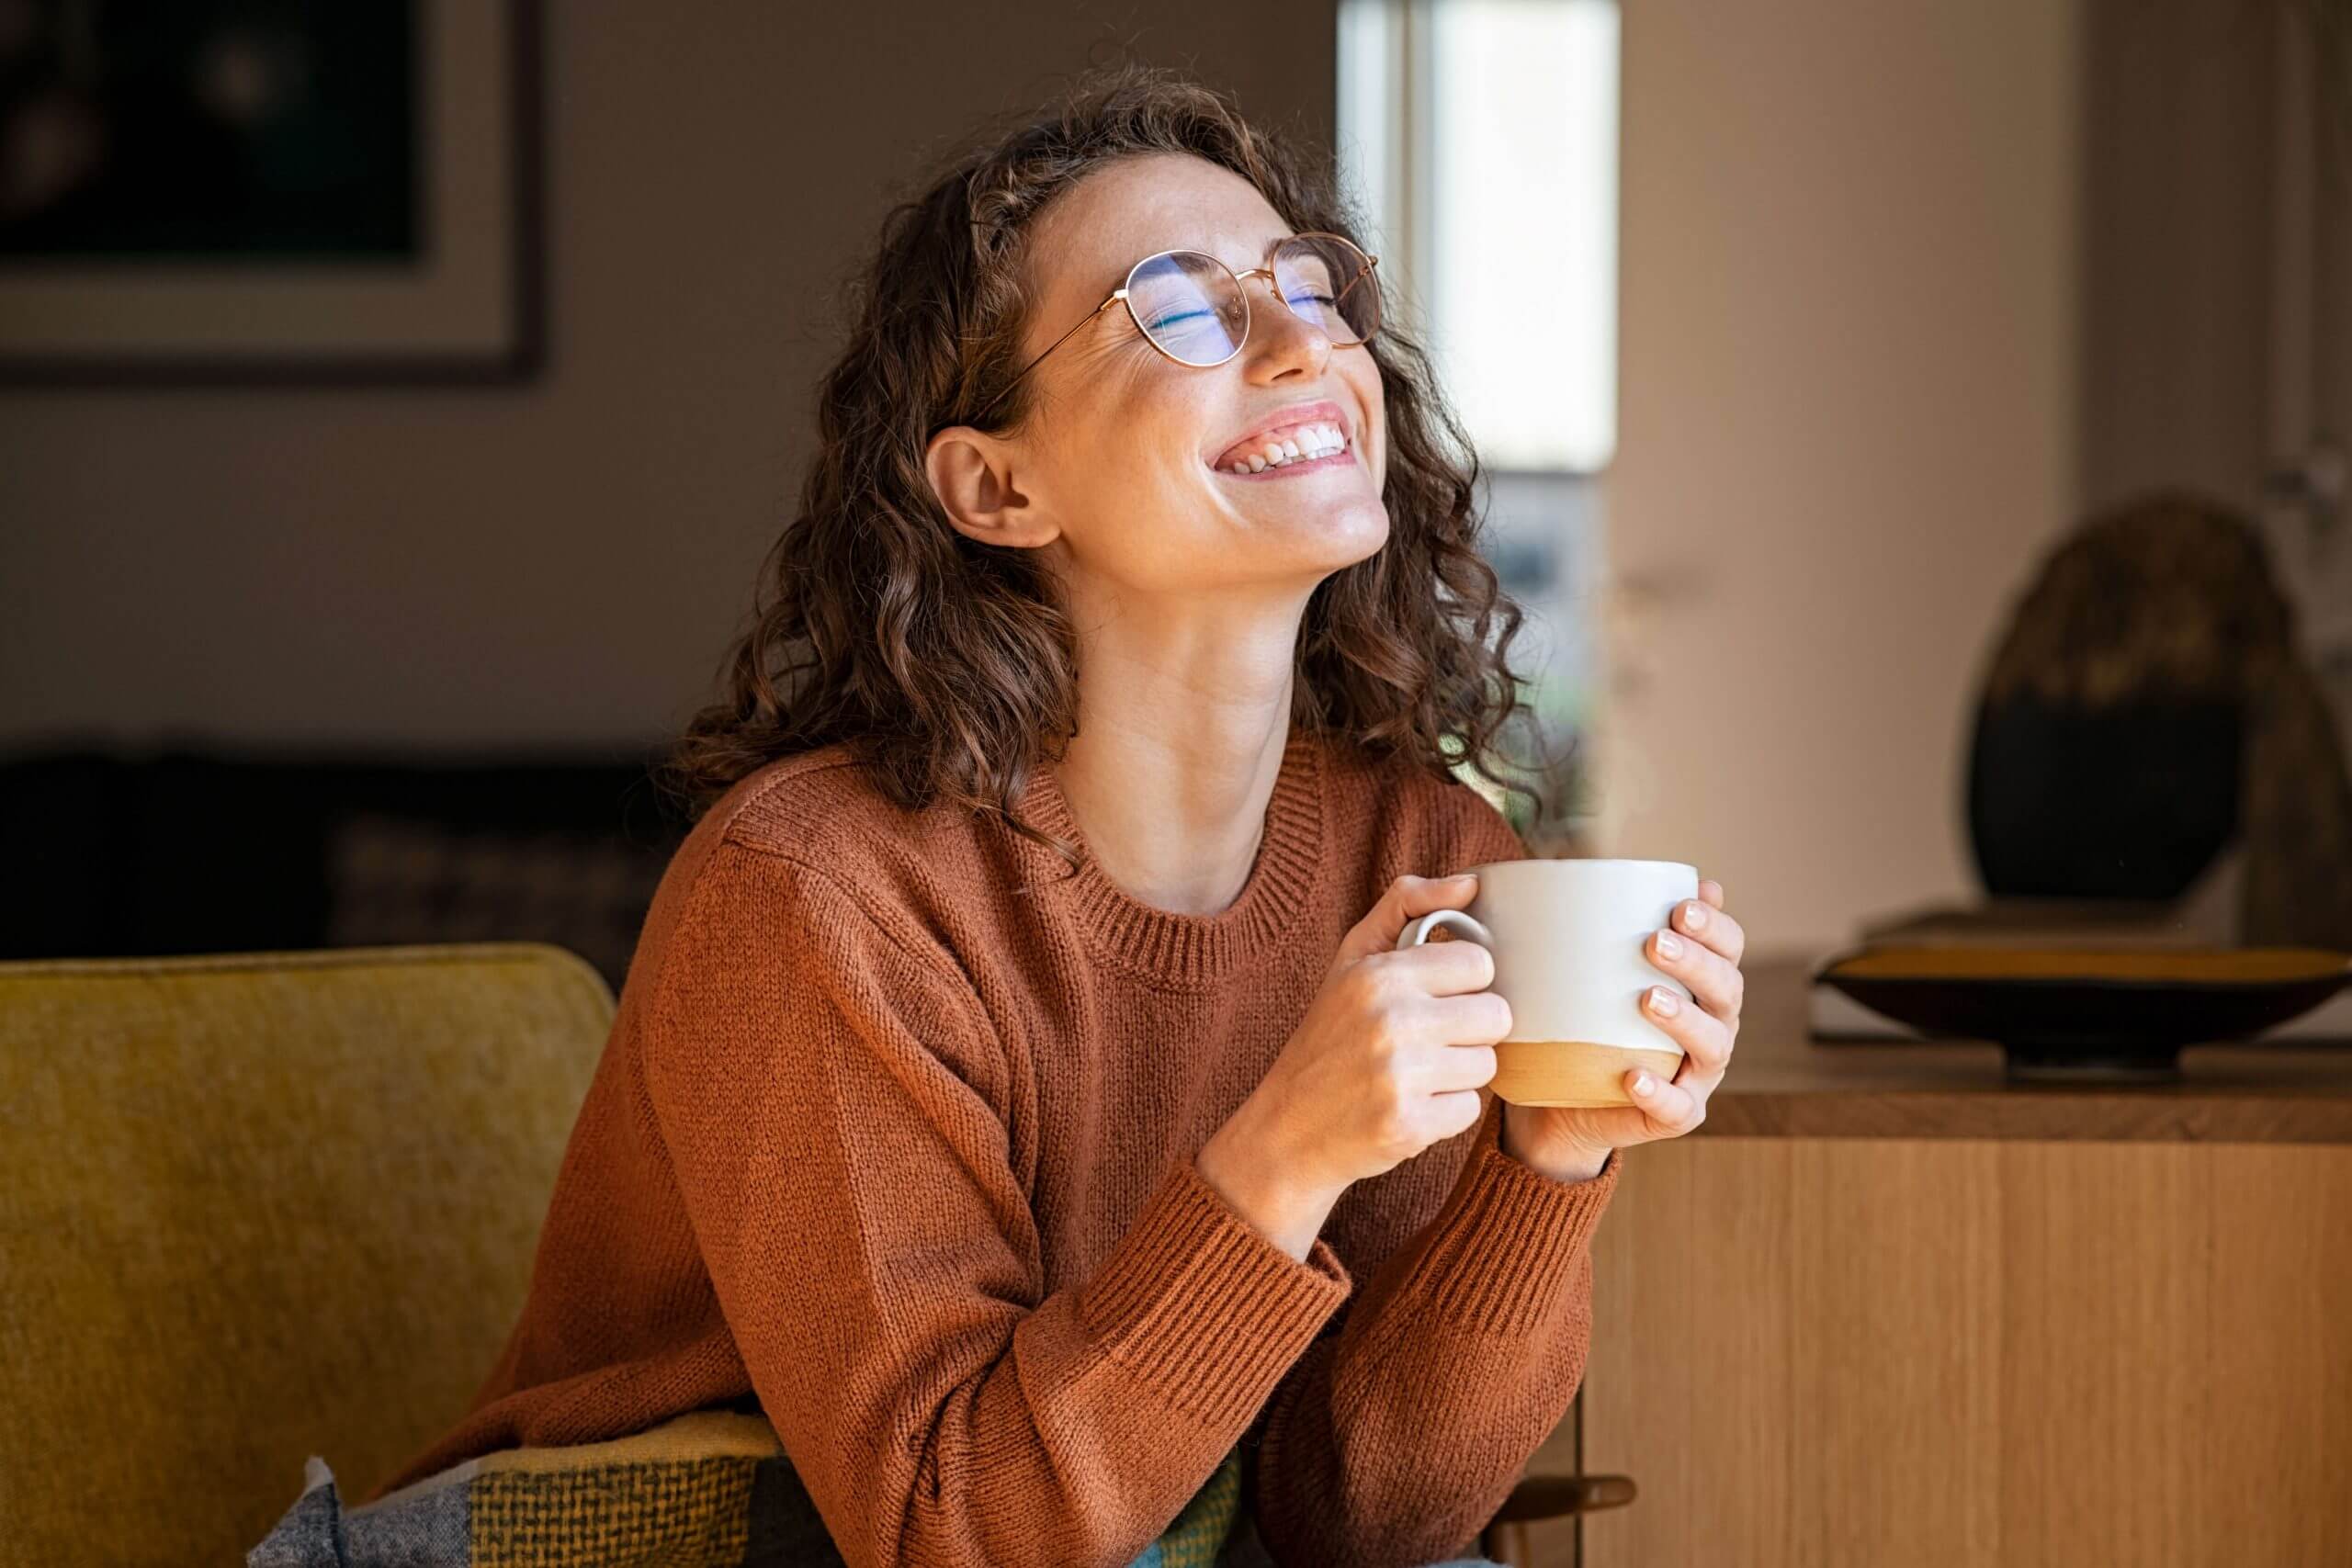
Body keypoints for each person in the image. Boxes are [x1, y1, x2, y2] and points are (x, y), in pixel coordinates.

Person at [366, 62, 1746, 1568]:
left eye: (1311, 284)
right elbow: (942, 1531)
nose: (1301, 344)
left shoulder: (1424, 863)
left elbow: (1358, 1529)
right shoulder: (819, 893)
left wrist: (1545, 1162)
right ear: (996, 487)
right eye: (1180, 305)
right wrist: (1281, 1154)